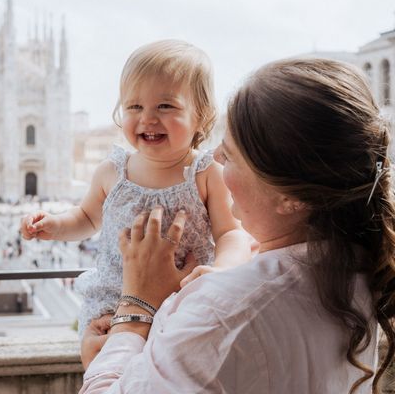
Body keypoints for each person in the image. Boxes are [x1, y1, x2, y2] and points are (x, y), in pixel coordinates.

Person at [79, 58, 395, 394]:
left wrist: (134, 309)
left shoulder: (221, 313)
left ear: (292, 198)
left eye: (229, 155)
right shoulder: (355, 263)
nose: (212, 158)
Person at [20, 40, 251, 338]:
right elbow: (86, 218)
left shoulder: (206, 174)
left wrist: (221, 271)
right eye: (134, 106)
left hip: (184, 299)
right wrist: (54, 224)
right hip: (114, 303)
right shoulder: (112, 171)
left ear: (202, 116)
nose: (148, 118)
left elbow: (231, 233)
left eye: (165, 106)